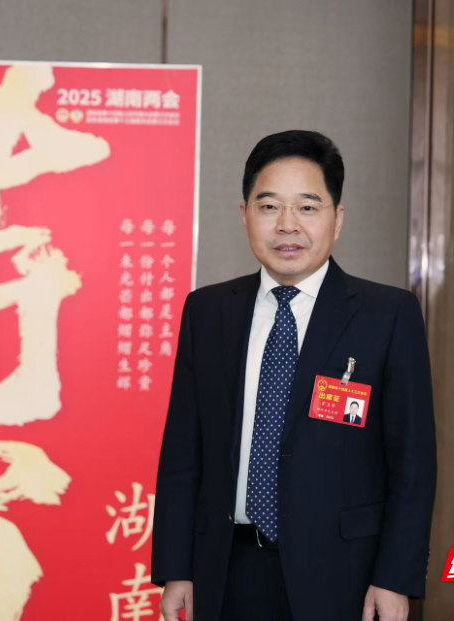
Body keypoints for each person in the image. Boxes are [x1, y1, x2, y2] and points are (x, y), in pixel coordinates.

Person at [152, 130, 437, 621]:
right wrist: (177, 567)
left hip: (344, 576)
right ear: (245, 216)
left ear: (337, 218)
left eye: (307, 207)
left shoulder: (387, 315)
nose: (288, 225)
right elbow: (183, 453)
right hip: (226, 570)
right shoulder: (208, 311)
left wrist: (395, 577)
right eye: (269, 207)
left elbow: (413, 464)